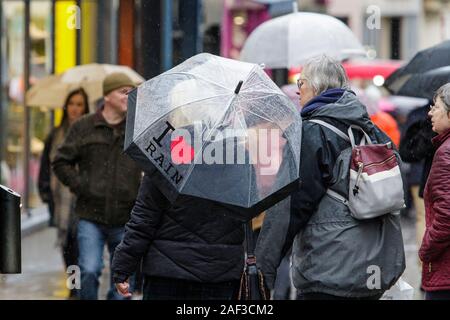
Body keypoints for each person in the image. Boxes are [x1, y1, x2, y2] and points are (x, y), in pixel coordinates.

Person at [255, 55, 405, 300]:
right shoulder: (372, 131)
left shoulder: (314, 132)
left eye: (301, 83)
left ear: (316, 86)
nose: (297, 90)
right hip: (374, 267)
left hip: (329, 271)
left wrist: (263, 270)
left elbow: (291, 205)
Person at [52, 73, 142, 300]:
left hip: (126, 219)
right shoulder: (84, 126)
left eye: (131, 91)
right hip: (89, 216)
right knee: (89, 270)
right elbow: (60, 161)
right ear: (107, 96)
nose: (129, 95)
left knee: (122, 284)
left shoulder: (136, 128)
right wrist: (81, 185)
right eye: (123, 91)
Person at [38, 88, 89, 299]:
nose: (75, 108)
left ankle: (78, 289)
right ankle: (73, 286)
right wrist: (46, 194)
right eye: (71, 104)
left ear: (85, 107)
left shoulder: (90, 133)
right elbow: (45, 168)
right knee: (67, 249)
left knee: (80, 248)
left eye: (79, 104)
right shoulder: (55, 134)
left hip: (84, 200)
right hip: (60, 203)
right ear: (65, 107)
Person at [419, 83, 450, 300]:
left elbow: (447, 215)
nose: (430, 112)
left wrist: (426, 250)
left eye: (435, 107)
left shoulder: (446, 152)